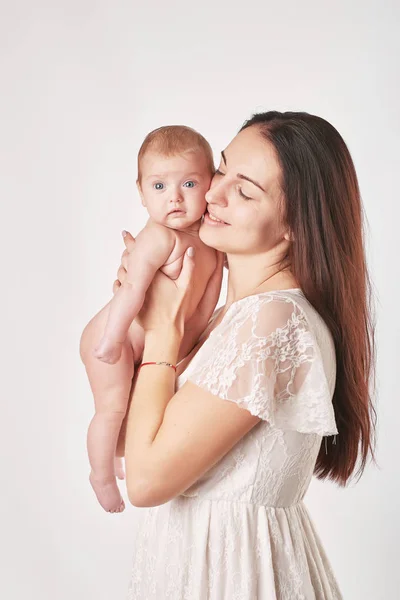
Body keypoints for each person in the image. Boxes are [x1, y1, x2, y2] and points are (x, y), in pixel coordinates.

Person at [118, 111, 376, 599]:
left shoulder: (272, 322)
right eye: (222, 169)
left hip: (234, 578)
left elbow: (147, 481)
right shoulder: (233, 319)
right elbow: (130, 448)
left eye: (245, 190)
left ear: (295, 225)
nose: (211, 194)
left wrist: (162, 333)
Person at [79, 126, 217, 513]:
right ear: (141, 193)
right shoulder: (159, 237)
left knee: (130, 409)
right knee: (111, 408)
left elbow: (202, 305)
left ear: (210, 185)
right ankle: (101, 473)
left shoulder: (210, 240)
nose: (174, 197)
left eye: (189, 183)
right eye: (159, 187)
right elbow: (132, 289)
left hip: (146, 342)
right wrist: (112, 338)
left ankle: (122, 455)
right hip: (113, 337)